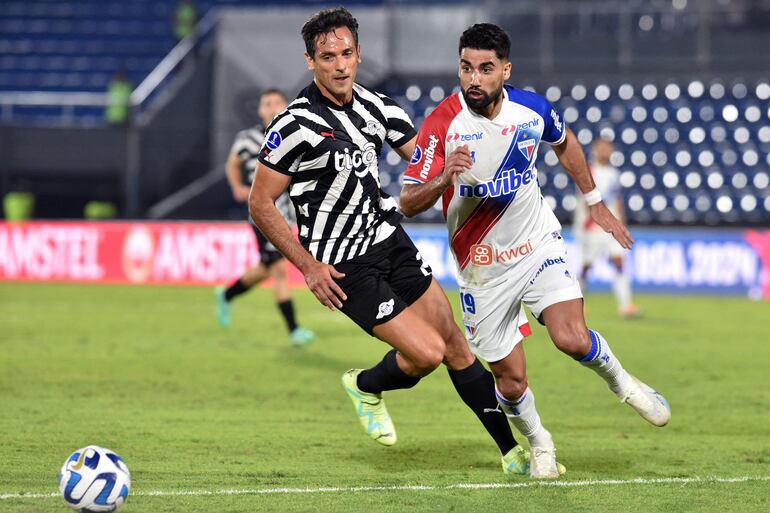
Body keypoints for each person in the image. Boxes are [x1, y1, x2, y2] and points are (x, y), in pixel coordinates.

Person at [249, 7, 536, 476]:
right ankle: (364, 384)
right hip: (342, 265)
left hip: (390, 241)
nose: (339, 65)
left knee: (457, 347)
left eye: (346, 54)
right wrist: (307, 265)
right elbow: (261, 204)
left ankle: (512, 453)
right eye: (327, 57)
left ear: (359, 54)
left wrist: (484, 163)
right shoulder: (292, 125)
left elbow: (429, 162)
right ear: (310, 62)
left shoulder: (380, 108)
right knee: (425, 354)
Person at [400, 23, 670, 478]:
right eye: (466, 68)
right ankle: (540, 441)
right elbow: (408, 201)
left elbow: (565, 144)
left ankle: (626, 385)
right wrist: (445, 177)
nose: (474, 79)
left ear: (505, 70)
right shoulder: (443, 124)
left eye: (486, 69)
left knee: (571, 337)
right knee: (511, 380)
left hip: (536, 243)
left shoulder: (531, 110)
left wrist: (595, 203)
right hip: (482, 269)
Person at [215, 89, 315, 347]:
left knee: (266, 269)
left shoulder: (295, 135)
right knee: (279, 270)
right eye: (267, 104)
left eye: (276, 103)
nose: (271, 108)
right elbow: (232, 163)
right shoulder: (247, 139)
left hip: (288, 214)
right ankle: (294, 330)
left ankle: (227, 294)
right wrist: (237, 186)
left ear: (285, 107)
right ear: (260, 110)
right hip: (262, 215)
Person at [573, 138, 641, 318]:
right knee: (586, 267)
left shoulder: (613, 173)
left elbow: (617, 200)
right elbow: (585, 200)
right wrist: (588, 223)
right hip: (592, 227)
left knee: (619, 261)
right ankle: (577, 303)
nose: (605, 151)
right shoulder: (588, 171)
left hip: (613, 228)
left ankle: (626, 305)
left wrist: (622, 224)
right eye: (601, 147)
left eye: (608, 148)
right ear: (595, 150)